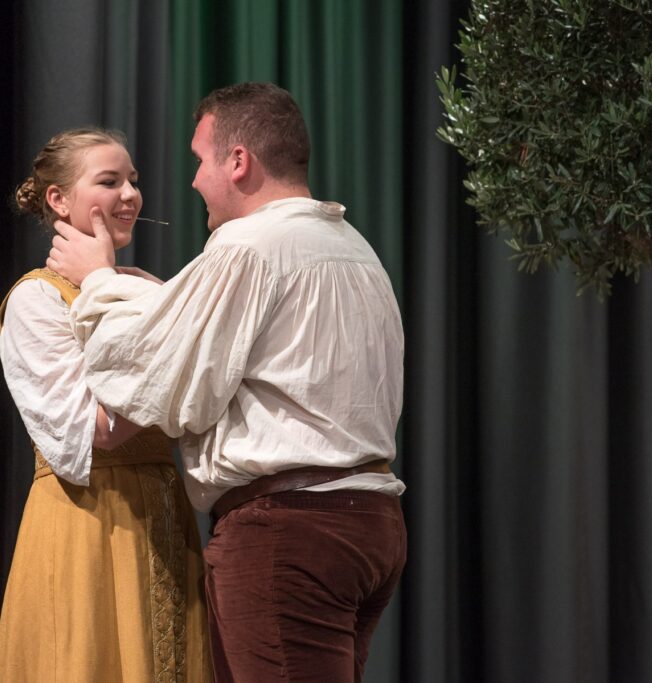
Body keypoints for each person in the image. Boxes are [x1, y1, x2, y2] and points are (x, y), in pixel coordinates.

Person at [49, 83, 407, 682]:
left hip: (291, 529)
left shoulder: (250, 246)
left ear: (238, 161)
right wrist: (156, 299)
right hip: (371, 521)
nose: (192, 181)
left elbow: (163, 381)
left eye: (200, 160)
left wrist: (99, 281)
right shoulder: (352, 247)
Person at [0, 127, 211, 682]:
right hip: (92, 522)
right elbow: (99, 428)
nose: (130, 194)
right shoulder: (37, 299)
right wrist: (165, 342)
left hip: (164, 517)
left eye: (133, 181)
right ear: (58, 199)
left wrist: (121, 290)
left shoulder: (141, 289)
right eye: (109, 181)